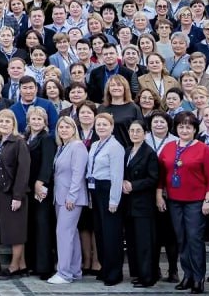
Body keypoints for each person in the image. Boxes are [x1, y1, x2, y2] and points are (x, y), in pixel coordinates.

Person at [156, 112, 209, 294]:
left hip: (196, 201)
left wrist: (208, 199)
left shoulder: (203, 149)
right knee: (181, 239)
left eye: (188, 127)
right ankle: (187, 275)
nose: (184, 130)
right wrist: (159, 195)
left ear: (195, 129)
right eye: (181, 126)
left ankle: (199, 278)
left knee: (194, 239)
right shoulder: (168, 147)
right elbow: (161, 176)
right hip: (174, 200)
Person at [87, 111, 126, 286]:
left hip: (108, 189)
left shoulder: (115, 147)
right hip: (95, 190)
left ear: (111, 127)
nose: (101, 127)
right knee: (100, 232)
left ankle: (115, 272)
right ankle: (104, 267)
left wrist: (114, 200)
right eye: (98, 125)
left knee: (111, 234)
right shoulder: (95, 144)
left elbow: (117, 175)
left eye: (105, 124)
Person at [50, 115, 89, 285]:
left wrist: (72, 196)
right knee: (70, 235)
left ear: (74, 129)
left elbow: (78, 174)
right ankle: (74, 270)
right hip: (60, 197)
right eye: (61, 127)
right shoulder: (62, 147)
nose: (64, 130)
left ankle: (64, 273)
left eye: (67, 127)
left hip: (71, 198)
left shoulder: (78, 147)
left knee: (63, 233)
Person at [0, 109, 31, 279]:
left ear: (13, 124)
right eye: (1, 121)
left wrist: (17, 196)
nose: (4, 124)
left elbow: (23, 171)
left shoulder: (19, 142)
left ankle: (14, 266)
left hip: (14, 193)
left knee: (16, 232)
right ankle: (22, 265)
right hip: (1, 192)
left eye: (7, 122)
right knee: (11, 230)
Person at [123, 118, 161, 288]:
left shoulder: (149, 153)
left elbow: (153, 178)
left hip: (143, 204)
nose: (135, 134)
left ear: (145, 134)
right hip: (129, 203)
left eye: (138, 131)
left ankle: (148, 277)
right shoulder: (127, 150)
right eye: (132, 131)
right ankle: (138, 273)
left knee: (145, 242)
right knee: (133, 241)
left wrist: (133, 185)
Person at [24, 105, 58, 280]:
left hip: (41, 188)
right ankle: (33, 264)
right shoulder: (26, 137)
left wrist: (40, 183)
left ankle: (44, 267)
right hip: (28, 189)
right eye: (33, 118)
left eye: (39, 119)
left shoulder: (47, 138)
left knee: (43, 226)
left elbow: (47, 163)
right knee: (32, 227)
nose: (36, 121)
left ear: (45, 122)